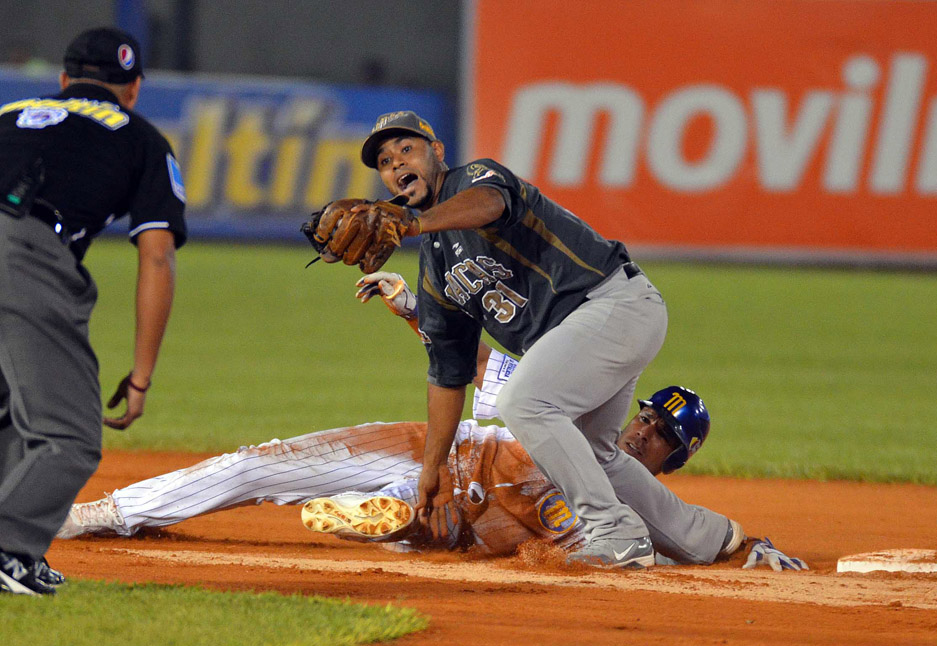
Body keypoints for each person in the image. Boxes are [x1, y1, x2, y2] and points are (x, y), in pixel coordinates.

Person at [57, 274, 807, 571]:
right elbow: (474, 362)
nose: (647, 432)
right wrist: (413, 304)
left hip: (466, 517)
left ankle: (391, 521)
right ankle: (109, 512)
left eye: (664, 439)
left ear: (671, 460)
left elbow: (677, 532)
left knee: (424, 523)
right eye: (649, 417)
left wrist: (746, 547)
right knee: (260, 462)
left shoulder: (622, 484)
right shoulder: (563, 392)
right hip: (435, 449)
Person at [356, 111, 676, 568]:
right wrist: (434, 467)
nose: (397, 163)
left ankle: (615, 532)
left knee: (525, 403)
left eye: (407, 149)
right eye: (386, 161)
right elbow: (448, 374)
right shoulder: (435, 265)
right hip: (581, 333)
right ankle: (713, 539)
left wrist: (411, 224)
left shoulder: (474, 180)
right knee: (592, 453)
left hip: (612, 303)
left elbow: (491, 203)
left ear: (437, 151)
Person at [0, 27, 186, 596]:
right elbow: (156, 257)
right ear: (131, 89)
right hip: (22, 249)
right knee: (69, 436)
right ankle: (7, 550)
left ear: (62, 80)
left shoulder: (7, 111)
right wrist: (141, 375)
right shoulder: (141, 136)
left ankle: (20, 553)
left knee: (9, 412)